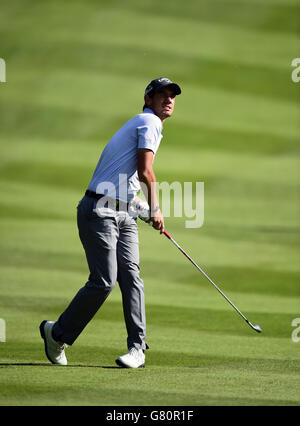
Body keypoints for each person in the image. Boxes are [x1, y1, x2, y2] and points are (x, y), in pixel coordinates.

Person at [39, 77, 181, 368]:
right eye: (162, 95)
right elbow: (145, 172)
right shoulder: (149, 121)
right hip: (98, 211)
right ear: (148, 98)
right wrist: (155, 207)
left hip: (122, 213)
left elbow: (126, 176)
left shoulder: (146, 125)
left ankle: (137, 349)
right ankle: (57, 333)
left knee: (131, 278)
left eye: (172, 96)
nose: (168, 100)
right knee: (104, 281)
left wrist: (140, 206)